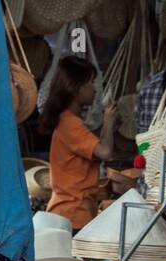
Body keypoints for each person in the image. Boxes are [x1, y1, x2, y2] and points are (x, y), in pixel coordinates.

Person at [40, 55, 117, 230]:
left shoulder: (69, 121)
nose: (95, 89)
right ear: (75, 88)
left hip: (73, 212)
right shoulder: (70, 123)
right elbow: (105, 152)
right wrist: (108, 121)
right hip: (73, 213)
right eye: (90, 82)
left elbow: (98, 149)